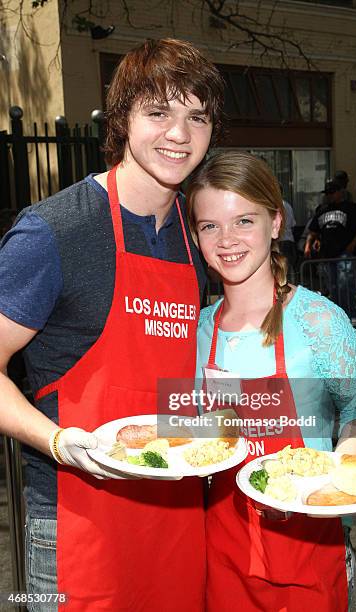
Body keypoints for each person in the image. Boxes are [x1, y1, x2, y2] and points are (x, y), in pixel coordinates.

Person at [0, 38, 224, 611]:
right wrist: (56, 440)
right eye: (159, 112)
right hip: (73, 520)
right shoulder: (53, 232)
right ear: (122, 118)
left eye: (195, 116)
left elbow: (174, 383)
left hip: (175, 517)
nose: (179, 134)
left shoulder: (198, 237)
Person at [185, 151, 356, 612]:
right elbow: (201, 434)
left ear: (276, 222)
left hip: (307, 547)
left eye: (243, 221)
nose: (227, 240)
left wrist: (329, 483)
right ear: (196, 236)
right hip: (223, 552)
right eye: (210, 225)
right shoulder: (199, 330)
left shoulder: (318, 319)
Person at [304, 179, 356, 325]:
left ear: (340, 192)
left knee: (346, 286)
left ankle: (351, 315)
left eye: (332, 192)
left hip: (344, 252)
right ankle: (339, 315)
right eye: (328, 193)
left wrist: (352, 244)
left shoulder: (351, 208)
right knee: (333, 287)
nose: (330, 196)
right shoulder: (323, 210)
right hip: (328, 254)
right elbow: (314, 231)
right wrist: (309, 244)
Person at [278, 185, 297, 282]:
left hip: (280, 240)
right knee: (288, 268)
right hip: (289, 239)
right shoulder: (287, 205)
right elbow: (293, 224)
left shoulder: (276, 206)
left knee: (281, 269)